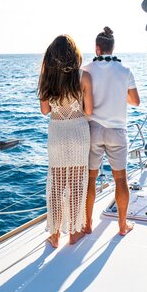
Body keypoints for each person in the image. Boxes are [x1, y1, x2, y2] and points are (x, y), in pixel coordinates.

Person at [38, 35, 93, 248]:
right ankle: (74, 231)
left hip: (57, 134)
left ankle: (54, 234)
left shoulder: (46, 78)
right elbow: (89, 110)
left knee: (57, 184)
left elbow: (45, 111)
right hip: (79, 132)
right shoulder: (84, 77)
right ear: (74, 55)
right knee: (77, 183)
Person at [84, 27, 140, 236]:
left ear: (97, 48)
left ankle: (87, 224)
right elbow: (135, 101)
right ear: (112, 48)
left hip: (93, 130)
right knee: (120, 180)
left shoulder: (87, 69)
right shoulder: (125, 70)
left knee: (90, 179)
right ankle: (123, 226)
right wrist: (118, 95)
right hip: (117, 131)